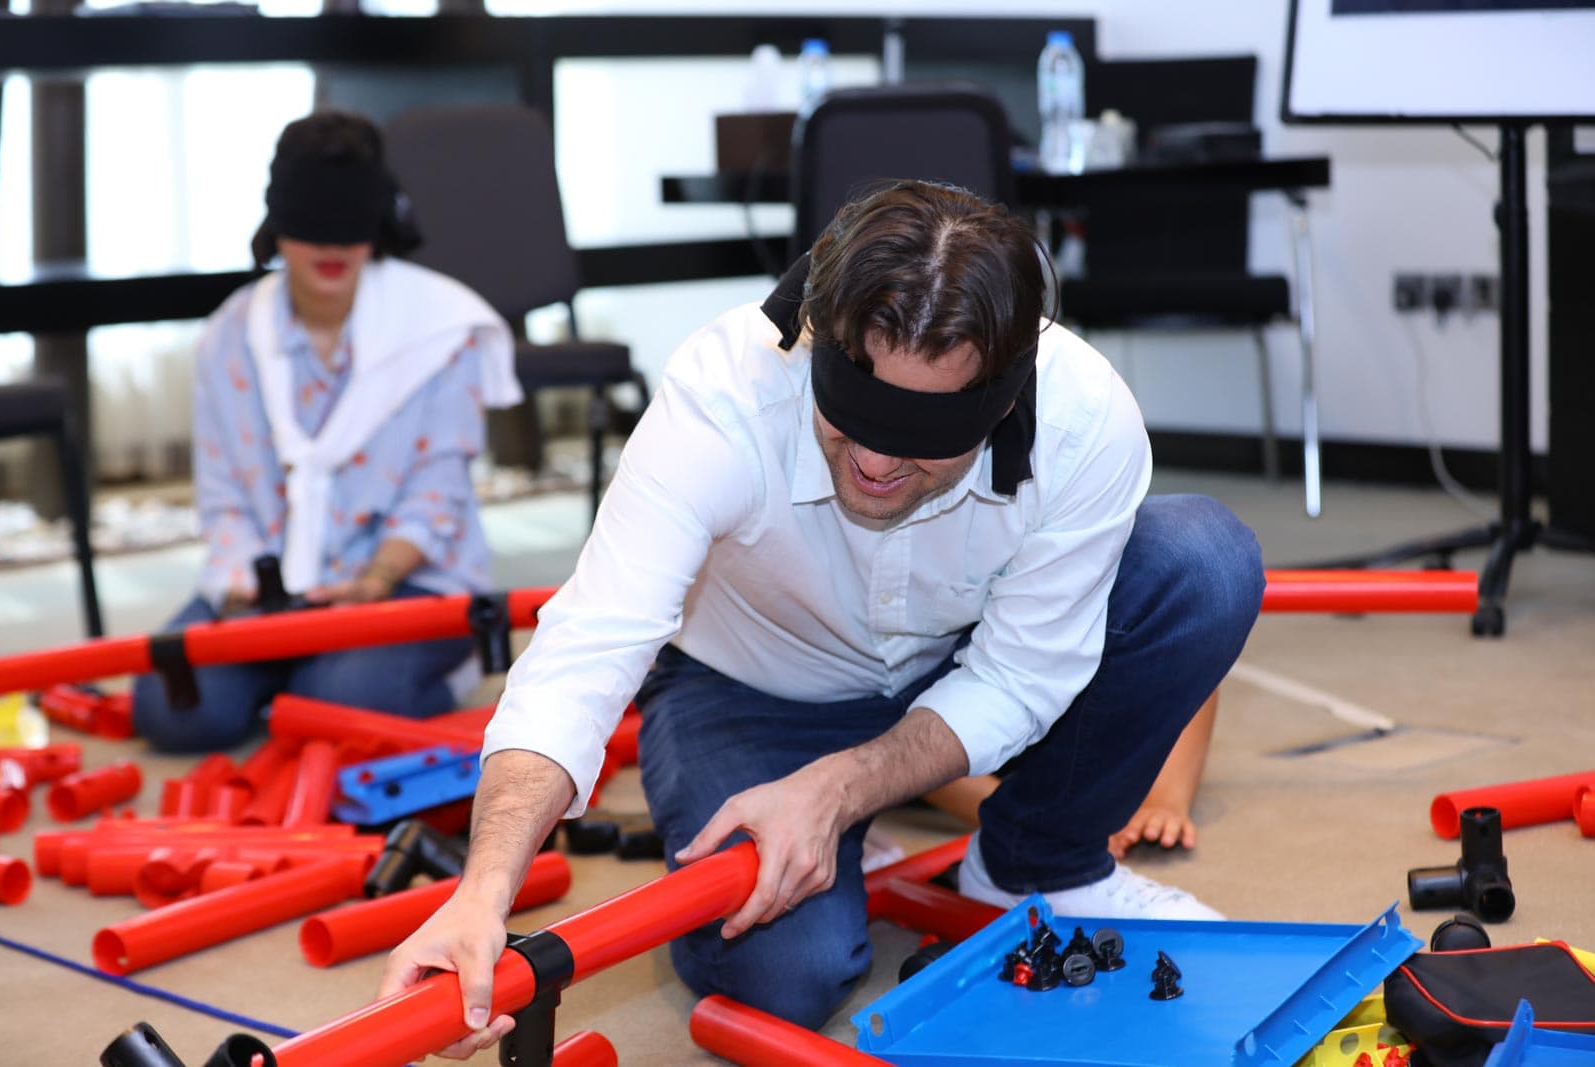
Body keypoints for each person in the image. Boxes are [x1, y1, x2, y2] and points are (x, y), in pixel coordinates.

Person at [382, 179, 1263, 1054]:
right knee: (786, 977)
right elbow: (589, 641)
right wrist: (484, 889)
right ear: (817, 339)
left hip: (957, 661)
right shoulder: (724, 393)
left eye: (924, 431)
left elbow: (1022, 674)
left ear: (1003, 393)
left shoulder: (1083, 414)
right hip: (750, 686)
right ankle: (825, 832)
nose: (877, 459)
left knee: (1202, 560)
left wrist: (837, 789)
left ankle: (1036, 864)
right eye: (855, 413)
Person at [132, 111, 523, 753]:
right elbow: (225, 496)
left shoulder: (442, 328)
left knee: (338, 706)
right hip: (271, 593)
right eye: (312, 225)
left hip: (405, 582)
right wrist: (242, 593)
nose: (332, 248)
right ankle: (292, 670)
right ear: (278, 225)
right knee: (172, 707)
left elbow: (438, 490)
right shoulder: (230, 338)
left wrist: (376, 580)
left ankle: (357, 677)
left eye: (350, 227)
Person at [918, 690, 1219, 860]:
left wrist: (1164, 800)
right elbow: (909, 745)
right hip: (938, 740)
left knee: (1187, 616)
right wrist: (1037, 823)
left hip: (1056, 725)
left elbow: (1201, 657)